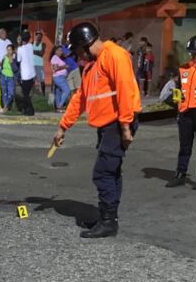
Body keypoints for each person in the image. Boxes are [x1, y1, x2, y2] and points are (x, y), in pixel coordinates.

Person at [53, 23, 141, 238]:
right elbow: (79, 99)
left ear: (85, 44)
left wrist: (125, 127)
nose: (77, 56)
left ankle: (109, 222)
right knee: (111, 171)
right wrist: (63, 127)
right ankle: (107, 217)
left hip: (118, 123)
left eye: (77, 50)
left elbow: (125, 90)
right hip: (106, 125)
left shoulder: (115, 55)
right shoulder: (92, 66)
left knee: (102, 173)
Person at [166, 36, 196, 190]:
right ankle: (180, 174)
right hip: (185, 112)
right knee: (184, 146)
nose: (192, 55)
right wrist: (176, 101)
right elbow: (180, 89)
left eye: (195, 52)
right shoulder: (184, 68)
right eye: (191, 52)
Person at [16, 31, 36, 116]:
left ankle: (31, 110)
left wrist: (18, 44)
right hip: (32, 73)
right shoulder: (31, 46)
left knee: (25, 94)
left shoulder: (20, 49)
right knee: (26, 93)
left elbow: (18, 60)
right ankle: (25, 109)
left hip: (25, 75)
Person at [50, 45, 70, 112]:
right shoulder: (54, 58)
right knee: (67, 90)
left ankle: (58, 107)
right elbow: (55, 68)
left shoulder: (58, 58)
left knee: (58, 92)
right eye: (60, 50)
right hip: (59, 77)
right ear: (55, 51)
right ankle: (60, 106)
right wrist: (64, 67)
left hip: (60, 77)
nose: (61, 52)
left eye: (62, 51)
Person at [0, 44, 18, 112]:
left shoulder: (15, 58)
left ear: (13, 50)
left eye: (10, 50)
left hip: (11, 78)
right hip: (3, 76)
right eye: (7, 50)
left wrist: (12, 62)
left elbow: (16, 69)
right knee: (4, 93)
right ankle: (5, 107)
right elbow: (2, 66)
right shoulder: (4, 57)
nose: (8, 51)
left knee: (11, 93)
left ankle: (6, 105)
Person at [32, 31, 46, 95]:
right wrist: (38, 52)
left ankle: (43, 93)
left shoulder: (43, 44)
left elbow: (41, 53)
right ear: (36, 36)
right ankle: (33, 92)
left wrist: (33, 51)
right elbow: (30, 52)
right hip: (32, 64)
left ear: (42, 37)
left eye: (40, 35)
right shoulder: (32, 43)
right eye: (37, 35)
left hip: (39, 64)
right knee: (32, 79)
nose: (39, 36)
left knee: (42, 80)